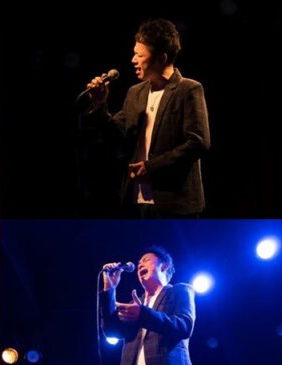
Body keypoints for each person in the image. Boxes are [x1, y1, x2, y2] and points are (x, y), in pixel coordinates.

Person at [84, 19, 210, 217]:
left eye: (140, 55)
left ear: (161, 58)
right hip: (136, 201)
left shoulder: (189, 89)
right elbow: (115, 135)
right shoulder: (136, 93)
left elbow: (198, 142)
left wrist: (151, 168)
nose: (133, 60)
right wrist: (100, 105)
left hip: (175, 203)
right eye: (134, 53)